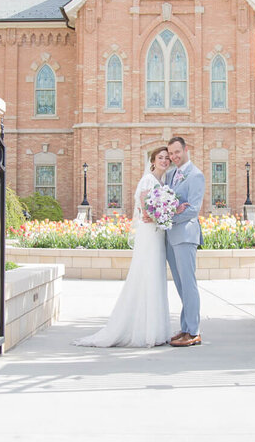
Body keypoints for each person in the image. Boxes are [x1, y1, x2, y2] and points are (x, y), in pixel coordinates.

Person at [73, 146, 172, 348]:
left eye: (167, 158)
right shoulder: (148, 180)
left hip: (158, 233)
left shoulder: (162, 182)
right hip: (149, 234)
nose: (164, 160)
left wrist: (165, 214)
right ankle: (145, 332)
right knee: (146, 276)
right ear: (152, 161)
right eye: (160, 157)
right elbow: (145, 210)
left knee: (155, 277)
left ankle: (156, 330)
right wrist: (157, 215)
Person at [164, 136, 205, 347]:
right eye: (171, 153)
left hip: (186, 236)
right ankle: (185, 328)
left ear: (186, 149)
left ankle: (194, 331)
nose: (174, 157)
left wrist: (168, 217)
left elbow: (193, 209)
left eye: (177, 152)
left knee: (189, 284)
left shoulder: (196, 175)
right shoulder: (170, 174)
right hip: (171, 237)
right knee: (180, 286)